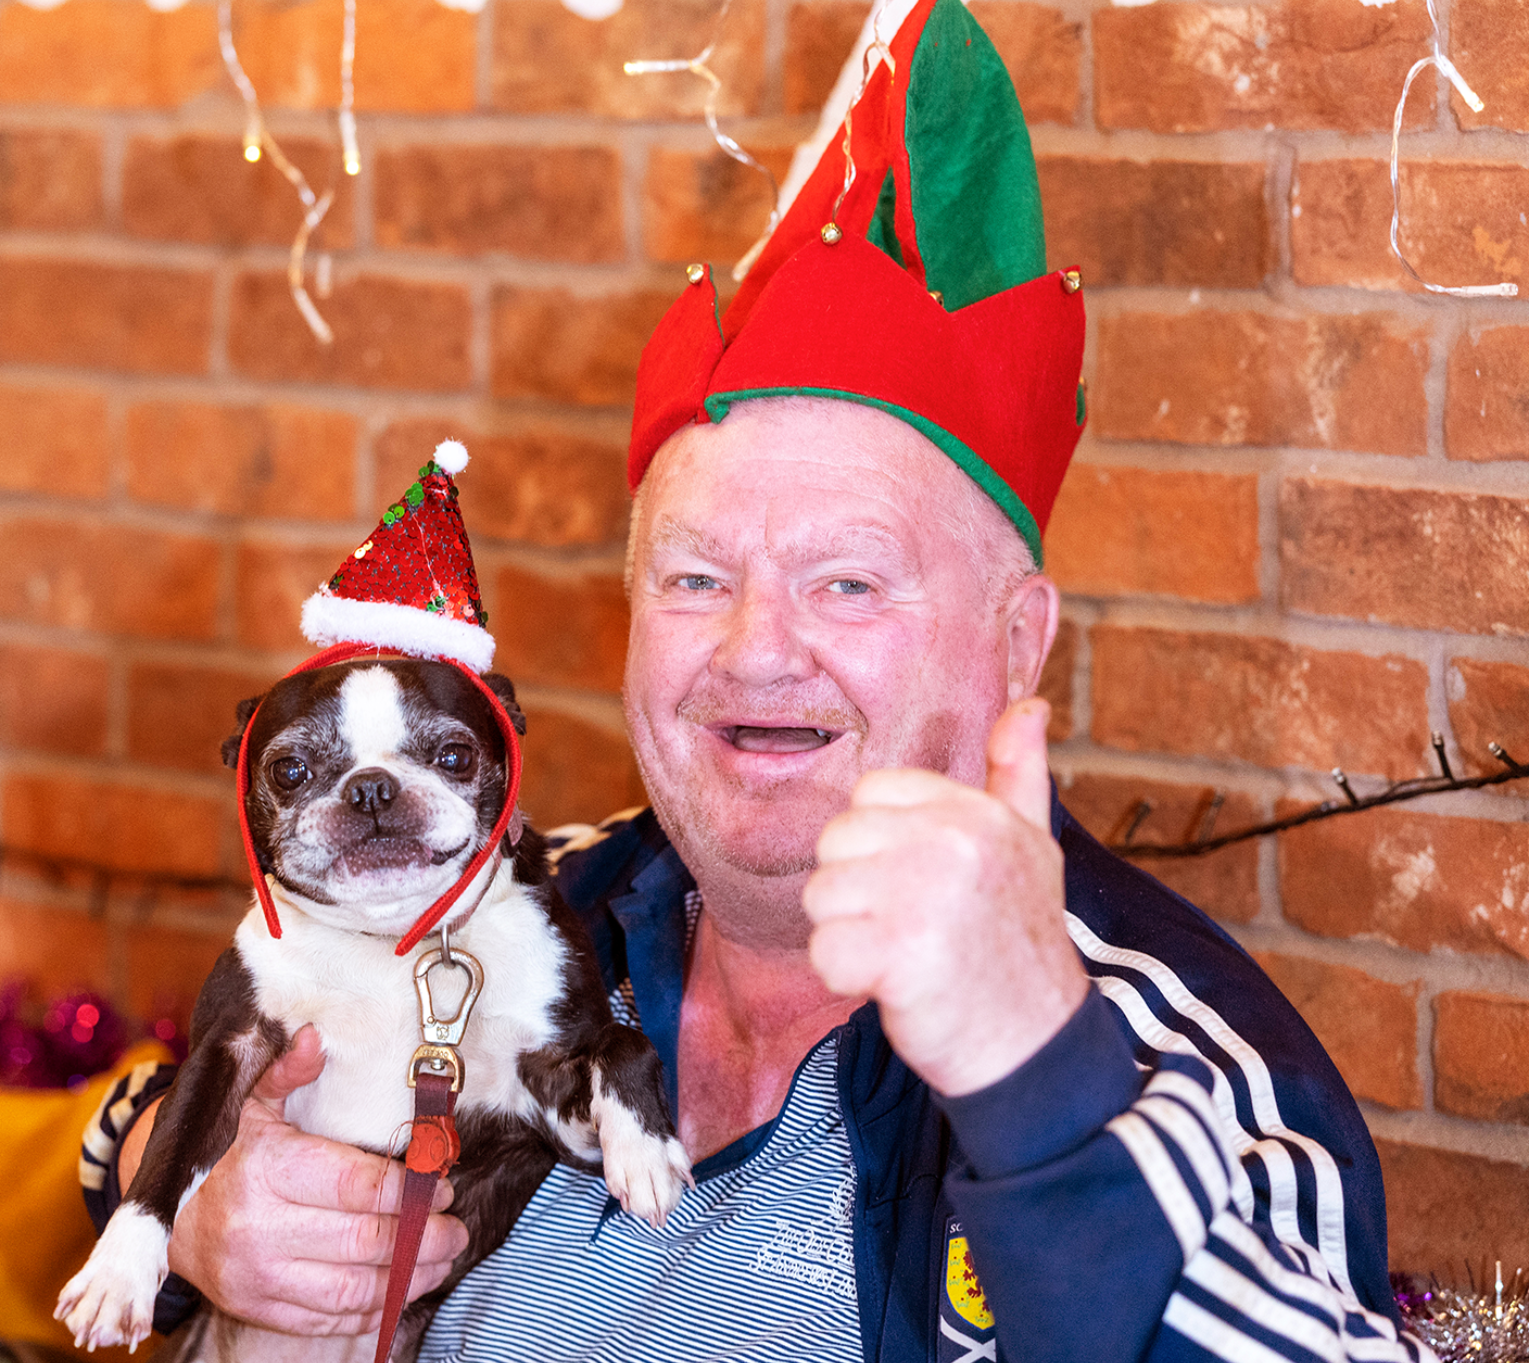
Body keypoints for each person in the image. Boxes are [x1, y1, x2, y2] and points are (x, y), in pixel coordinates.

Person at [80, 2, 1431, 1358]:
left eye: (849, 582)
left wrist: (1036, 1083)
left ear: (1018, 641)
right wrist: (195, 1215)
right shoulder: (542, 896)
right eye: (694, 579)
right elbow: (153, 1102)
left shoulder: (1170, 1052)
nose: (755, 649)